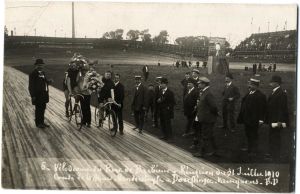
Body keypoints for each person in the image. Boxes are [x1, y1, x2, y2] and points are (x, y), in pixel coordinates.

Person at [237, 78, 267, 156]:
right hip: (247, 119)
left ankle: (254, 150)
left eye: (250, 84)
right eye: (249, 84)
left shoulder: (260, 96)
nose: (248, 86)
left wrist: (261, 119)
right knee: (248, 134)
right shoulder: (250, 93)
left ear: (255, 86)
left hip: (254, 120)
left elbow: (262, 109)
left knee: (253, 135)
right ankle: (250, 148)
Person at [265, 75, 289, 162]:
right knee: (272, 136)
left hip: (277, 120)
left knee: (275, 137)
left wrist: (279, 120)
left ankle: (275, 155)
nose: (270, 83)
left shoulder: (281, 93)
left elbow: (282, 108)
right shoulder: (275, 91)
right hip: (273, 118)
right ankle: (272, 153)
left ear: (277, 83)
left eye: (272, 82)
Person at [193, 77, 218, 157]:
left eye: (199, 83)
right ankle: (215, 150)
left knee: (205, 135)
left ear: (204, 84)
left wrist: (209, 115)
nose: (198, 85)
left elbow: (213, 106)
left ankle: (201, 152)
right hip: (205, 118)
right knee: (209, 135)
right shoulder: (204, 92)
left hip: (208, 119)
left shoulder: (208, 93)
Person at [28, 59, 53, 129]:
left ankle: (42, 122)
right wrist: (32, 95)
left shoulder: (42, 73)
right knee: (38, 109)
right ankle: (38, 123)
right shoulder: (33, 74)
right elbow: (31, 86)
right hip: (37, 95)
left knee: (43, 108)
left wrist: (49, 82)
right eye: (39, 65)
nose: (40, 66)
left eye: (41, 65)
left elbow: (44, 81)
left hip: (44, 94)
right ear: (36, 66)